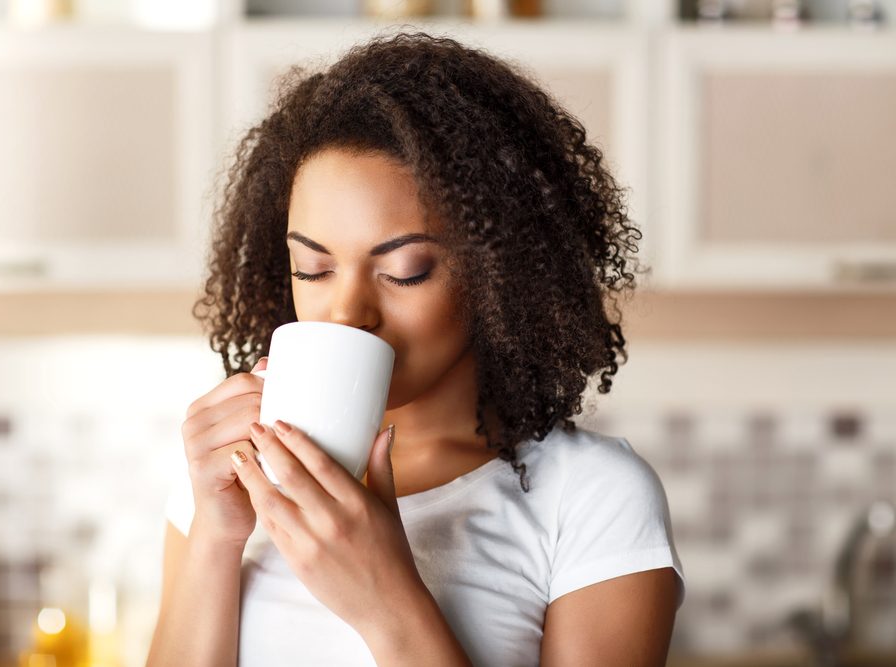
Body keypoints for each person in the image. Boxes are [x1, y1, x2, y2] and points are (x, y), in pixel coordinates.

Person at [147, 30, 686, 667]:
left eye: (405, 272)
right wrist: (214, 534)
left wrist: (388, 604)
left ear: (500, 273)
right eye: (313, 270)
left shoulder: (592, 498)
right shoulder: (230, 474)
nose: (347, 313)